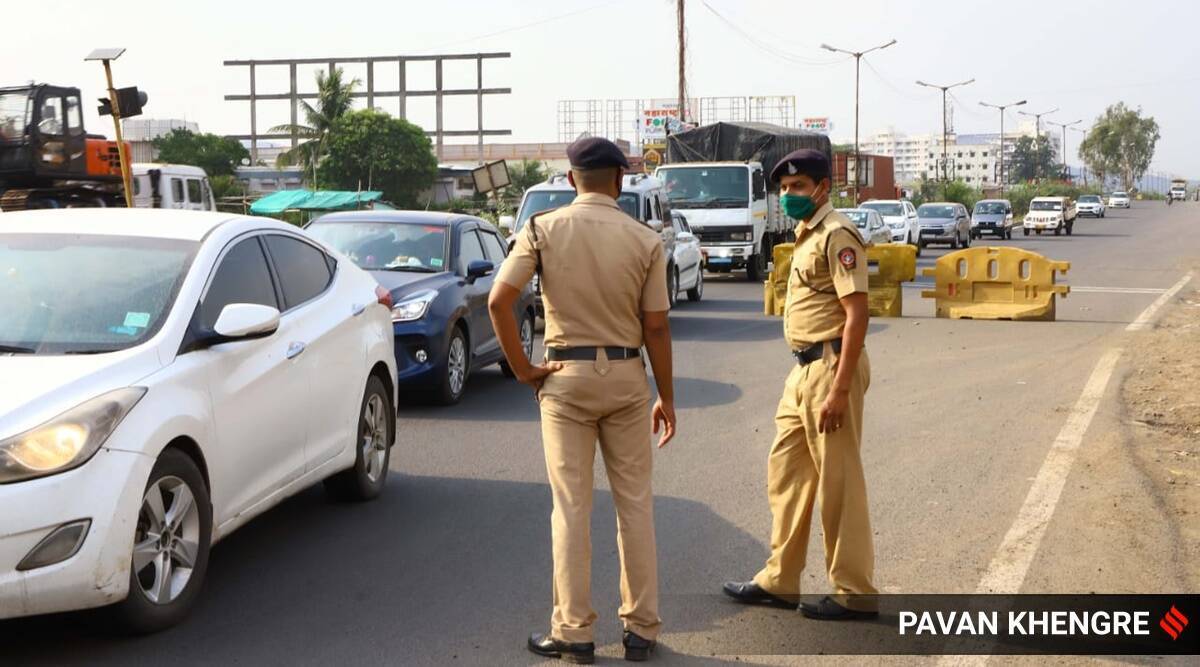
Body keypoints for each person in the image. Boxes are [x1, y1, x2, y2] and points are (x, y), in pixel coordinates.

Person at [488, 136, 677, 663]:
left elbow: (499, 301)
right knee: (634, 505)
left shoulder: (541, 229)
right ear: (620, 179)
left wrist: (524, 370)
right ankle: (641, 629)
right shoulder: (645, 239)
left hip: (564, 377)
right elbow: (656, 328)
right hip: (626, 377)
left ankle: (573, 633)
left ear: (571, 180)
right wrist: (666, 397)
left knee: (571, 508)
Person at [722, 148, 879, 620]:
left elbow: (857, 315)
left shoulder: (837, 234)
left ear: (822, 188)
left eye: (798, 187)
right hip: (803, 370)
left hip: (831, 366)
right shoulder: (806, 232)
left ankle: (854, 592)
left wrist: (840, 389)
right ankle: (780, 579)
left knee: (838, 481)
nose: (789, 195)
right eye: (785, 188)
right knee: (786, 473)